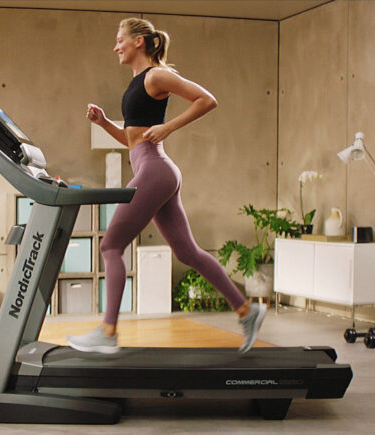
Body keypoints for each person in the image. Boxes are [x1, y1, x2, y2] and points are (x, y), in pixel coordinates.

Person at [67, 17, 265, 355]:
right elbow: (132, 141)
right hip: (154, 169)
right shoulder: (137, 83)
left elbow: (207, 99)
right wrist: (104, 123)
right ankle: (247, 311)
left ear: (138, 42)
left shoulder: (155, 75)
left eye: (120, 40)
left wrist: (168, 127)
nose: (116, 47)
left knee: (110, 246)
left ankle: (108, 332)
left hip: (155, 170)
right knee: (188, 253)